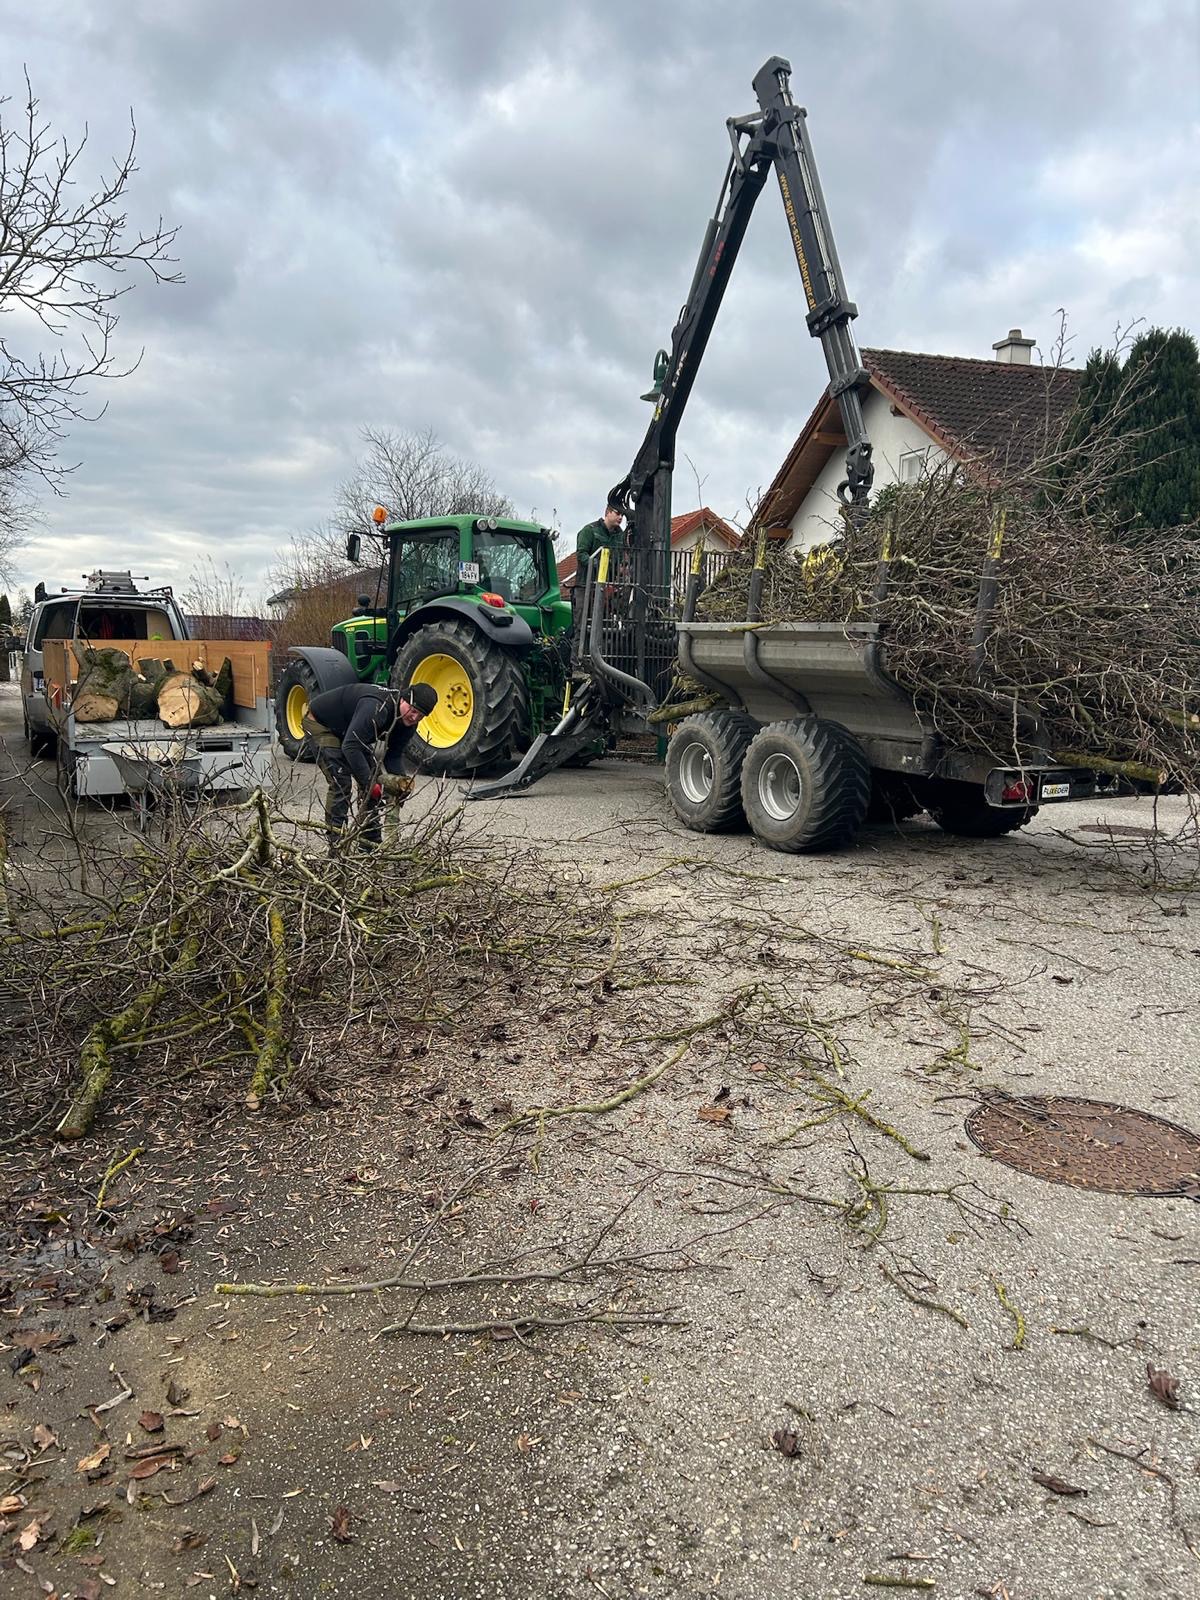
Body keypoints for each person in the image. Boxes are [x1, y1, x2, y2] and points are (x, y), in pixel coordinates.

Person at [302, 680, 438, 849]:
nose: (415, 717)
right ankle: (336, 843)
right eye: (414, 711)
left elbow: (393, 756)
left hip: (350, 732)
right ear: (404, 699)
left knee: (375, 778)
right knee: (341, 782)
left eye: (421, 716)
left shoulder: (408, 723)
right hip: (322, 724)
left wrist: (401, 783)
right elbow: (350, 747)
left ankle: (369, 843)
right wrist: (369, 783)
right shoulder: (377, 708)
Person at [572, 503, 626, 622]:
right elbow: (581, 554)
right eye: (617, 513)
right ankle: (579, 641)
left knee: (605, 622)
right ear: (607, 513)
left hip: (607, 588)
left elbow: (621, 559)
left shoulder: (621, 536)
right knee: (582, 623)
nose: (621, 517)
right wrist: (599, 565)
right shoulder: (590, 531)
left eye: (622, 514)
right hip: (585, 585)